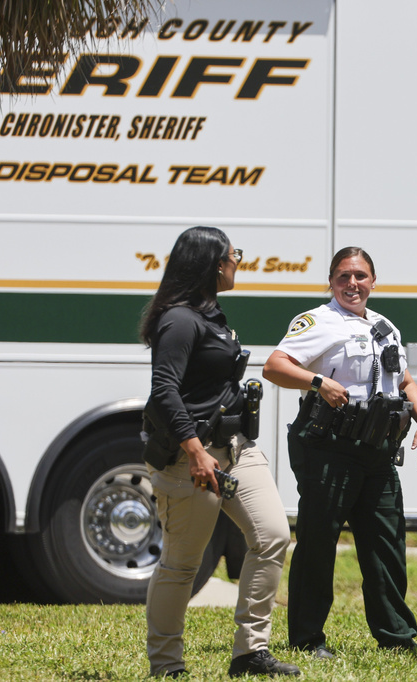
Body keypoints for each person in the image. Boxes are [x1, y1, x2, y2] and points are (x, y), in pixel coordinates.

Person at [140, 226, 299, 678]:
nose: (237, 262)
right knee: (181, 565)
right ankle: (166, 665)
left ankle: (250, 653)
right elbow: (163, 391)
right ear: (212, 263)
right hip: (191, 458)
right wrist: (194, 450)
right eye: (234, 254)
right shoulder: (179, 320)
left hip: (235, 449)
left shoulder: (210, 315)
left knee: (272, 537)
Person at [262, 246, 417, 658]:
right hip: (330, 448)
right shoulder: (318, 321)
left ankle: (396, 635)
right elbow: (274, 365)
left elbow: (406, 382)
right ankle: (307, 638)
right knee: (319, 544)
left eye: (360, 276)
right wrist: (317, 381)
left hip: (377, 451)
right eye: (343, 276)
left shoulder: (385, 326)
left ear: (373, 282)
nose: (352, 284)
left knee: (387, 544)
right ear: (331, 282)